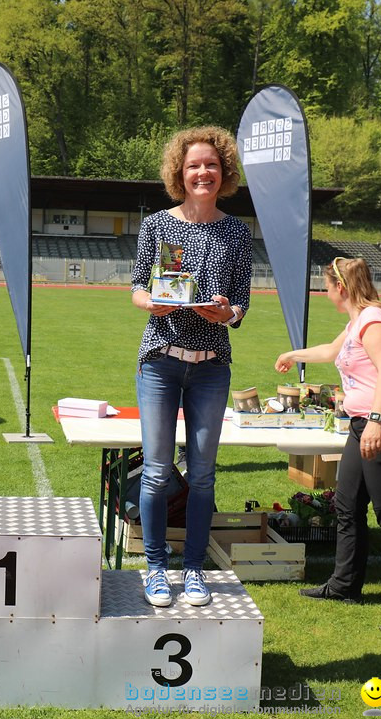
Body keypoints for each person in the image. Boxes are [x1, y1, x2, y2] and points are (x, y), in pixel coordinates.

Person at [275, 257, 381, 637]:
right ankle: (344, 585)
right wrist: (292, 355)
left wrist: (375, 420)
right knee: (347, 504)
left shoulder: (375, 320)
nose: (326, 293)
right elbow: (330, 352)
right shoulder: (357, 321)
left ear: (342, 287)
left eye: (327, 286)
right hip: (363, 425)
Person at [130, 126, 252, 608]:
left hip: (210, 368)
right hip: (161, 361)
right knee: (158, 473)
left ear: (224, 173)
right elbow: (140, 287)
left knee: (202, 475)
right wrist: (152, 306)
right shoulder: (160, 225)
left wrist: (227, 313)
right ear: (179, 173)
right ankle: (156, 568)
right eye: (194, 166)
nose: (203, 172)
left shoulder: (236, 231)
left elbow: (241, 300)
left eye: (212, 165)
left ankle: (194, 569)